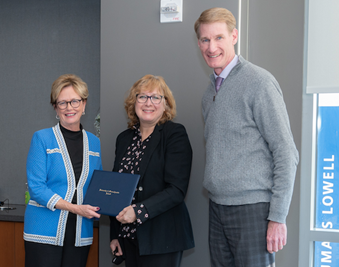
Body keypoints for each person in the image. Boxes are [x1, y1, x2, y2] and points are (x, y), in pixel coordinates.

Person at [194, 7, 299, 267]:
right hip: (217, 208)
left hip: (253, 209)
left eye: (219, 38)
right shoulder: (209, 94)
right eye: (205, 40)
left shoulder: (259, 82)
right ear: (198, 43)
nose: (211, 47)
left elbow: (286, 152)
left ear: (234, 36)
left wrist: (277, 217)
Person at [109, 74, 194, 267]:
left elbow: (177, 190)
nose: (149, 103)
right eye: (142, 97)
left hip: (161, 238)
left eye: (156, 97)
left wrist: (138, 212)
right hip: (128, 238)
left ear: (165, 105)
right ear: (134, 102)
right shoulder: (124, 139)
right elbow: (116, 190)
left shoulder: (175, 134)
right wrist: (115, 235)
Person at [23, 74, 102, 267]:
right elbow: (37, 188)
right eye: (62, 103)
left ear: (84, 104)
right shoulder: (42, 138)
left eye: (75, 101)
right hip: (43, 233)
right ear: (55, 108)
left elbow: (97, 185)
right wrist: (76, 208)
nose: (69, 107)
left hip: (80, 233)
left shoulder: (94, 142)